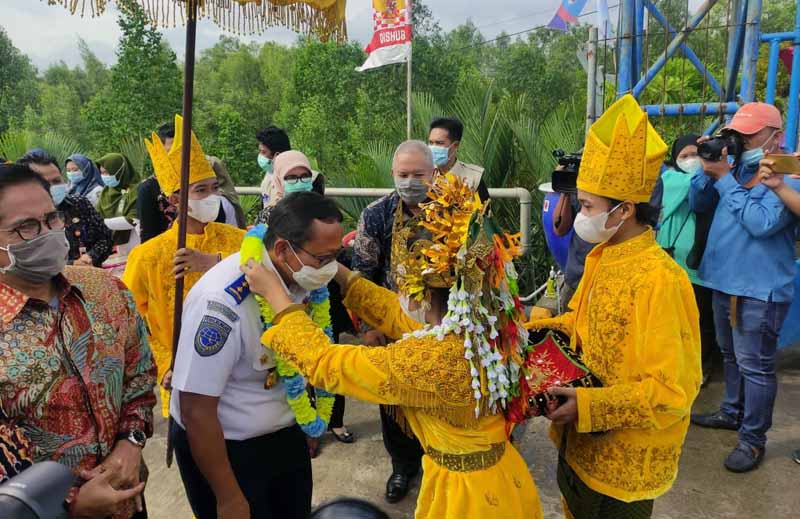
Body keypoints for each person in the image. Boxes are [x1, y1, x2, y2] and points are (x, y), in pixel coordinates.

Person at [243, 176, 543, 519]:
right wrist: (336, 269)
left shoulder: (430, 360)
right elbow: (399, 318)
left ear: (422, 289)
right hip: (505, 478)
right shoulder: (488, 328)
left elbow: (327, 363)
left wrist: (278, 299)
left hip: (467, 499)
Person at [528, 95, 701, 519]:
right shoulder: (603, 255)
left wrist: (588, 406)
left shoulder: (661, 280)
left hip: (622, 470)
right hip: (576, 445)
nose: (580, 216)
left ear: (624, 210)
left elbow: (672, 394)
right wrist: (532, 328)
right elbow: (585, 324)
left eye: (587, 206)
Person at [169, 194, 346, 519]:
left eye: (336, 257)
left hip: (286, 436)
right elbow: (196, 410)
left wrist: (306, 425)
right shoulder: (222, 304)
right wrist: (228, 497)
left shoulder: (303, 280)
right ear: (282, 249)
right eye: (324, 259)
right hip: (229, 453)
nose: (331, 268)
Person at [0, 163, 157, 518]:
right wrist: (71, 503)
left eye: (51, 219)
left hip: (129, 498)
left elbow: (140, 377)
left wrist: (131, 443)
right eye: (25, 227)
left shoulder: (105, 290)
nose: (46, 233)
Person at [689, 102, 800, 473]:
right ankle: (731, 412)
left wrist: (724, 179)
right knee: (731, 355)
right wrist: (707, 169)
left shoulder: (788, 175)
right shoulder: (733, 169)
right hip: (723, 281)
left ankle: (753, 441)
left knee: (756, 366)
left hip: (759, 288)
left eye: (748, 134)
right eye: (736, 133)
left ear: (774, 136)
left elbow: (761, 223)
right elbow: (697, 203)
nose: (741, 140)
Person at [123, 117, 246, 419]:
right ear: (175, 198)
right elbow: (129, 322)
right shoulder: (148, 256)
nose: (212, 197)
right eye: (201, 190)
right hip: (185, 372)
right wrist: (163, 362)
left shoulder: (240, 240)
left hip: (244, 370)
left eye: (215, 188)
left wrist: (214, 263)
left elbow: (270, 277)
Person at [351, 140, 434, 503]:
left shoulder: (459, 211)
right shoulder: (377, 213)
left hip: (442, 322)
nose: (411, 181)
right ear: (393, 175)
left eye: (419, 174)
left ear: (434, 174)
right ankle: (402, 466)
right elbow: (363, 274)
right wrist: (368, 328)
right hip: (391, 325)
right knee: (393, 401)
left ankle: (437, 460)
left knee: (437, 396)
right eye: (404, 175)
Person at [656, 135, 718, 386]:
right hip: (674, 261)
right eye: (685, 156)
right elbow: (697, 188)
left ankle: (701, 367)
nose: (691, 160)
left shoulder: (714, 182)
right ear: (675, 159)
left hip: (700, 265)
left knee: (702, 320)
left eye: (697, 154)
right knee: (673, 320)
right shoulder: (670, 180)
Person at [137, 122, 245, 243]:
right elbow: (148, 234)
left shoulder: (209, 184)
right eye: (172, 152)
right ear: (174, 199)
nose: (182, 157)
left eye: (215, 187)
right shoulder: (149, 188)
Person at [18, 149, 113, 267]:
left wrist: (90, 257)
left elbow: (105, 238)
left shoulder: (79, 204)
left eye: (56, 180)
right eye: (44, 183)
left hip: (91, 276)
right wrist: (72, 265)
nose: (52, 187)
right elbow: (28, 260)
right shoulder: (19, 220)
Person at [427, 116, 490, 201]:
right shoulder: (423, 175)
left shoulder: (474, 178)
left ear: (455, 145)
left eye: (439, 143)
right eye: (431, 142)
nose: (433, 147)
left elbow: (485, 212)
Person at [254, 150, 319, 226]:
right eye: (291, 178)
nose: (299, 183)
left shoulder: (323, 212)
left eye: (305, 176)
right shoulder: (268, 216)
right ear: (278, 180)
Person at [95, 152, 140, 253]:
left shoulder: (136, 189)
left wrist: (102, 223)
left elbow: (133, 220)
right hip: (114, 248)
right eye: (102, 173)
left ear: (120, 170)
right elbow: (96, 216)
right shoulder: (105, 192)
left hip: (136, 242)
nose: (104, 176)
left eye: (107, 172)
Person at [257, 125, 292, 208]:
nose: (260, 156)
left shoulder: (294, 181)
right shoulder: (269, 175)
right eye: (260, 151)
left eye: (264, 152)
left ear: (277, 155)